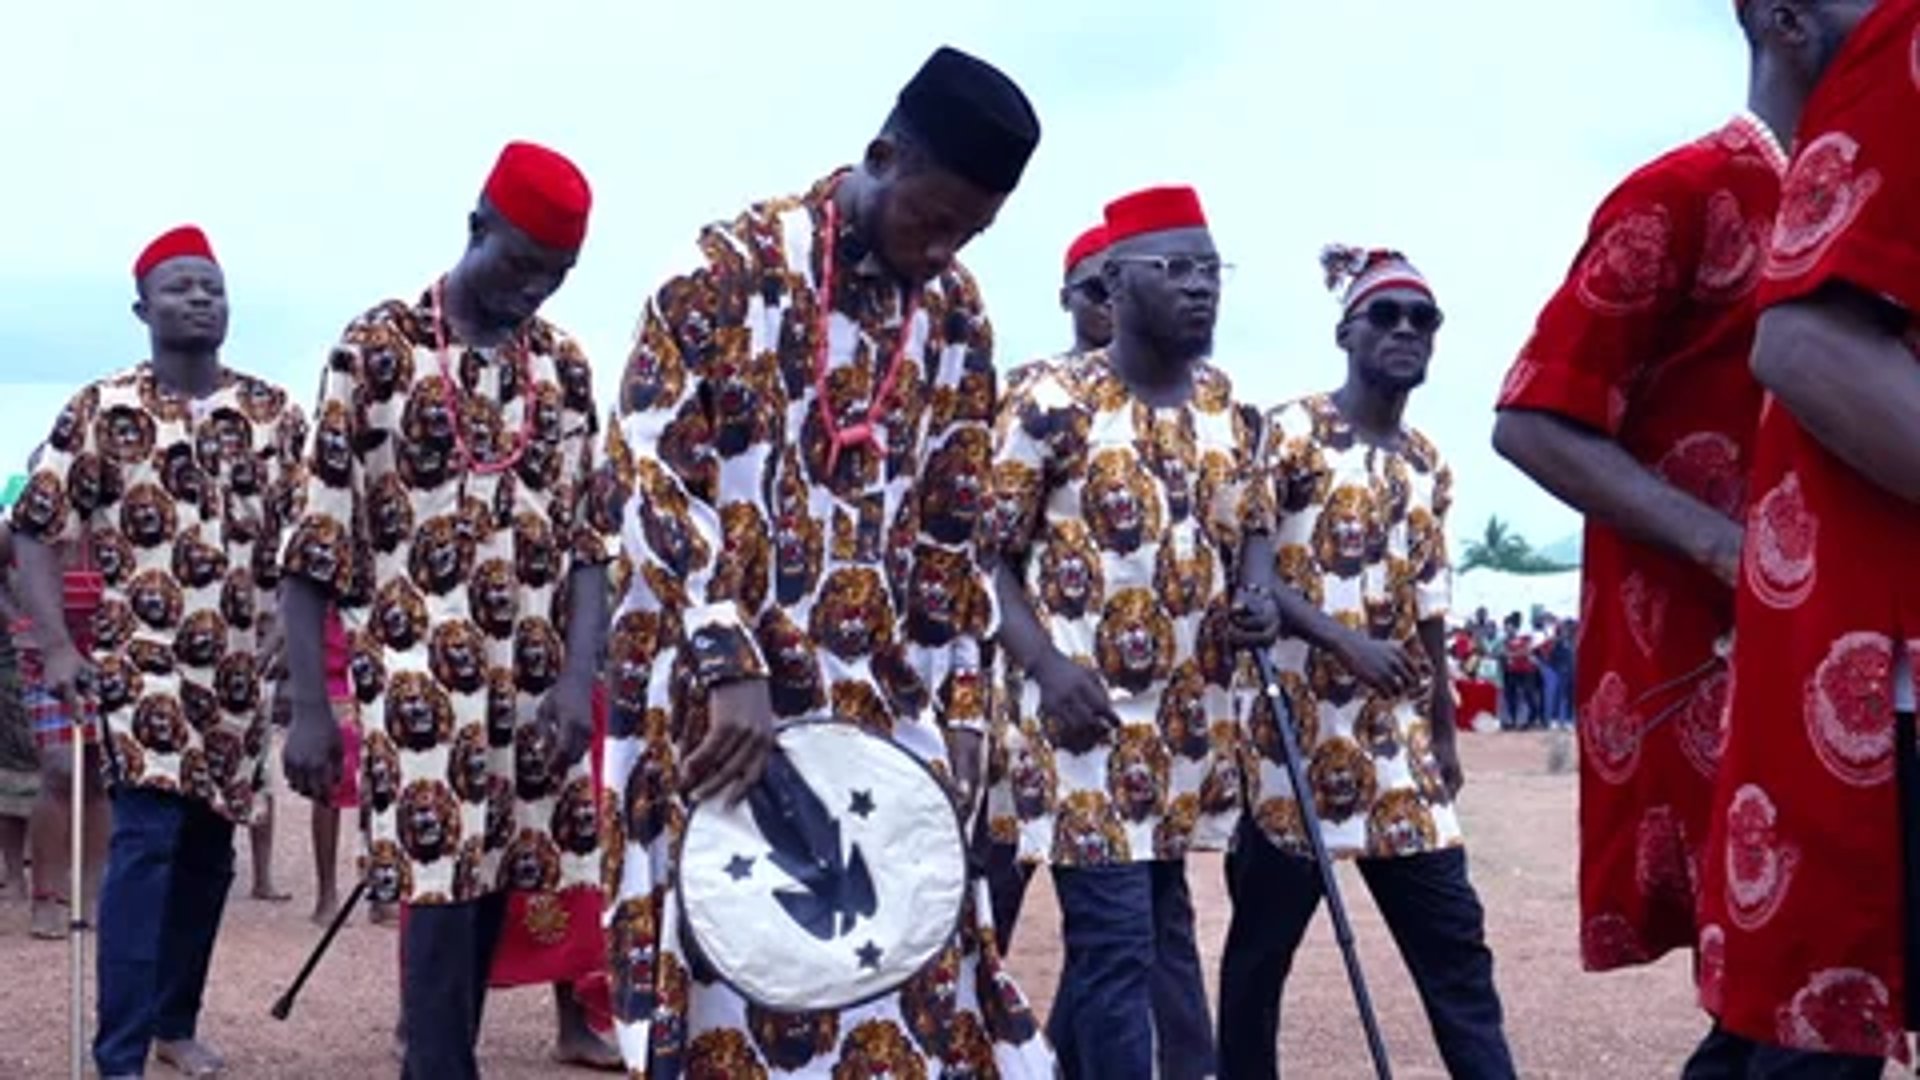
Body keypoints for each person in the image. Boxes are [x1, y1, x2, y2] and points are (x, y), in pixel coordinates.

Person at [604, 45, 1053, 1077]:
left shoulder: (958, 316)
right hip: (712, 693)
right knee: (734, 959)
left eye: (970, 232)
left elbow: (954, 532)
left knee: (909, 948)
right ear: (882, 156)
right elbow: (650, 471)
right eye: (931, 220)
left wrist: (965, 717)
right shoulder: (721, 272)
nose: (943, 250)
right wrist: (727, 662)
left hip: (876, 690)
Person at [278, 141, 614, 1080]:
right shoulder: (375, 350)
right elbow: (314, 543)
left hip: (542, 690)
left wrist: (576, 685)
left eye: (555, 277)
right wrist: (313, 708)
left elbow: (591, 546)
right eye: (519, 267)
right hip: (418, 682)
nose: (533, 293)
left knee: (503, 893)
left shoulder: (566, 369)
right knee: (439, 894)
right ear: (476, 228)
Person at [10, 224, 305, 1079]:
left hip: (241, 678)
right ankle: (119, 1052)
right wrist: (58, 648)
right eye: (179, 287)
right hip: (143, 666)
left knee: (211, 857)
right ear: (143, 308)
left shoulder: (274, 413)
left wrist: (289, 622)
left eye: (212, 284)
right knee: (145, 844)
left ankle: (175, 1021)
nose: (200, 297)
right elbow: (35, 532)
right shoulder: (105, 410)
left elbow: (306, 539)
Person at [1220, 246, 1515, 1079]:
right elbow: (1256, 575)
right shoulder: (1289, 433)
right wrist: (1345, 643)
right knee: (1257, 966)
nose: (1406, 331)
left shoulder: (1428, 465)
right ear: (1346, 332)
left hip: (1397, 759)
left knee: (1458, 956)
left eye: (1423, 319)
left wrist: (1447, 736)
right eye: (1385, 316)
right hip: (1293, 752)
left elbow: (1429, 609)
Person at [1693, 0, 1920, 1072]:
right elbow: (1809, 347)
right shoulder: (1687, 189)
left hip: (1844, 660)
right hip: (1866, 667)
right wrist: (1709, 541)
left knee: (1792, 1031)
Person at [992, 185, 1263, 1079]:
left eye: (1210, 270)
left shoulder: (1223, 403)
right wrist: (1044, 668)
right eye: (1177, 269)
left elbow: (1250, 525)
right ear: (1115, 280)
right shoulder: (1049, 401)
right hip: (1080, 725)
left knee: (1157, 926)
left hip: (1186, 736)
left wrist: (1257, 590)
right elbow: (979, 556)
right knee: (1115, 944)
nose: (1201, 289)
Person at [977, 219, 1114, 953]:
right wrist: (1039, 664)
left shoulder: (1180, 404)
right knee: (994, 876)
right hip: (1021, 687)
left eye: (1124, 288)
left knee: (1122, 914)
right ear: (1068, 298)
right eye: (1098, 289)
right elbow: (990, 547)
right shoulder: (1034, 394)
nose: (1112, 305)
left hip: (1124, 707)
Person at [16, 536, 109, 940]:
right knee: (58, 767)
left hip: (106, 657)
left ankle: (89, 894)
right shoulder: (32, 520)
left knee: (98, 775)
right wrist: (21, 622)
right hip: (47, 659)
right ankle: (45, 896)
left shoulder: (112, 520)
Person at [0, 524, 38, 900]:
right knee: (12, 778)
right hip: (17, 662)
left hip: (83, 657)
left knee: (74, 778)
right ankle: (15, 876)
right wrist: (17, 621)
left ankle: (58, 884)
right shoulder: (13, 532)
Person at [1499, 612, 1542, 729]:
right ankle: (1513, 721)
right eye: (1506, 627)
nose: (1507, 629)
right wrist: (1513, 655)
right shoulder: (1506, 640)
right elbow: (1503, 653)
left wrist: (1512, 655)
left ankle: (1532, 719)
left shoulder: (1525, 636)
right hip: (1512, 670)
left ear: (1515, 626)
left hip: (1526, 670)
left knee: (1528, 694)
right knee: (1511, 696)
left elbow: (1527, 652)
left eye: (1509, 626)